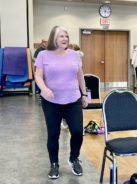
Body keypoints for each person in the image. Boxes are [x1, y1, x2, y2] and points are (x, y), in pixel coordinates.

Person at [34, 26, 88, 179]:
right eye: (61, 36)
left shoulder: (75, 55)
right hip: (51, 101)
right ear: (54, 38)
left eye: (66, 36)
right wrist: (44, 89)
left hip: (73, 99)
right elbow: (38, 76)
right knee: (53, 134)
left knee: (77, 132)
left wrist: (84, 94)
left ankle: (73, 158)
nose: (65, 39)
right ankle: (54, 164)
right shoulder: (43, 55)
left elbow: (80, 75)